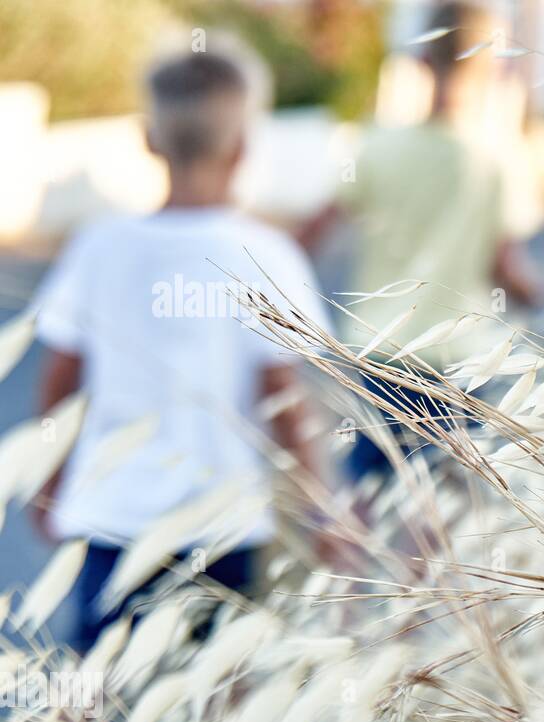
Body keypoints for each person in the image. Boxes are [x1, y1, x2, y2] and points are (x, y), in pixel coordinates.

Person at [31, 48, 333, 655]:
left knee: (101, 693)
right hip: (225, 524)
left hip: (111, 516)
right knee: (220, 704)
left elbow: (59, 383)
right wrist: (322, 508)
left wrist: (50, 482)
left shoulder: (99, 247)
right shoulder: (268, 254)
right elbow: (285, 400)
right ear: (243, 145)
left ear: (148, 139)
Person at [300, 1, 543, 484]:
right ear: (494, 69)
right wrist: (537, 294)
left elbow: (311, 234)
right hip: (458, 357)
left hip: (378, 351)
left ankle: (359, 558)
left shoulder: (376, 145)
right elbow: (506, 268)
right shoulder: (496, 160)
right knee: (445, 496)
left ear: (421, 63)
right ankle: (420, 565)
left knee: (371, 481)